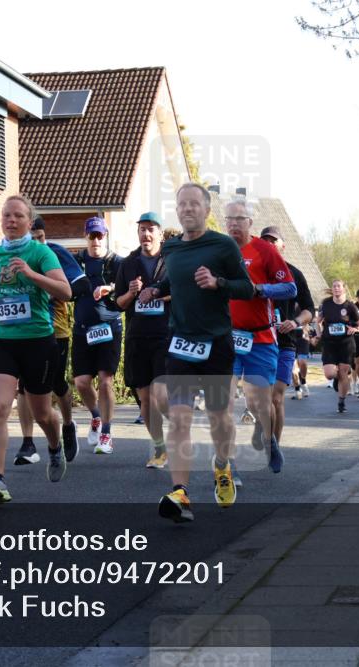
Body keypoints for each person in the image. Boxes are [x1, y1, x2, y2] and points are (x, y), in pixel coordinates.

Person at [139, 183, 254, 523]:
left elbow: (246, 288)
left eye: (194, 204)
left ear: (206, 210)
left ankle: (221, 465)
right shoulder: (171, 249)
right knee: (180, 417)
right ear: (177, 210)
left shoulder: (223, 245)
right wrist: (154, 291)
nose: (188, 209)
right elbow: (172, 284)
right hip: (181, 343)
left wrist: (218, 283)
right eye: (182, 204)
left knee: (220, 418)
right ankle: (180, 492)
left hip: (217, 342)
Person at [0, 195, 71, 499]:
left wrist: (30, 273)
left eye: (17, 216)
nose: (11, 220)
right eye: (6, 216)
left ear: (29, 221)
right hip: (2, 340)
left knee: (42, 414)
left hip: (38, 341)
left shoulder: (41, 253)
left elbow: (65, 291)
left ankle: (54, 446)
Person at [224, 201, 295, 476]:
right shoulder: (219, 250)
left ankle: (269, 439)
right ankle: (228, 464)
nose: (233, 224)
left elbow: (289, 287)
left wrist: (260, 289)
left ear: (249, 222)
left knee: (260, 403)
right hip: (228, 339)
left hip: (261, 338)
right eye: (229, 219)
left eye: (239, 219)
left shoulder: (264, 250)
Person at [14, 217, 87, 465]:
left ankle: (67, 424)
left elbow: (81, 285)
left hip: (55, 330)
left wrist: (53, 289)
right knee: (23, 386)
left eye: (40, 237)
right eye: (32, 238)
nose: (37, 242)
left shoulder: (55, 252)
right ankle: (27, 443)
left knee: (56, 384)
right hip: (25, 331)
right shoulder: (15, 255)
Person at [112, 211, 171, 469]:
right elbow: (119, 304)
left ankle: (181, 430)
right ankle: (159, 448)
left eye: (150, 229)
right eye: (142, 229)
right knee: (145, 399)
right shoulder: (128, 264)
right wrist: (131, 293)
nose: (145, 234)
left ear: (160, 233)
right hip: (137, 338)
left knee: (161, 394)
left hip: (166, 336)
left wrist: (157, 295)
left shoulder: (172, 259)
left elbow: (183, 292)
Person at [259, 226, 313, 453]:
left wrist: (296, 322)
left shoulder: (294, 273)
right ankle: (266, 435)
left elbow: (309, 309)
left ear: (283, 245)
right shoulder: (252, 272)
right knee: (262, 400)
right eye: (265, 241)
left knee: (276, 398)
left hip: (285, 342)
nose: (269, 245)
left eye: (274, 241)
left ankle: (274, 447)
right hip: (259, 342)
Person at [71, 217, 122, 454]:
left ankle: (106, 434)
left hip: (109, 328)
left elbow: (129, 288)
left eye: (100, 235)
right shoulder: (76, 261)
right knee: (81, 382)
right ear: (86, 236)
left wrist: (110, 288)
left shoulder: (117, 263)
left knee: (105, 381)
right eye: (92, 236)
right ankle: (96, 417)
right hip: (82, 330)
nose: (96, 240)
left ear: (106, 236)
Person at [312, 280, 359, 413]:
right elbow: (317, 322)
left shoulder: (350, 306)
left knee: (343, 373)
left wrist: (355, 329)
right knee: (329, 374)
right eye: (334, 286)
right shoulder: (326, 304)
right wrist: (319, 335)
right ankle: (336, 379)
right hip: (329, 343)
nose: (336, 288)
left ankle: (341, 402)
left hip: (346, 344)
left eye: (338, 286)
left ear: (343, 289)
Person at [291, 323, 315, 399]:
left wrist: (311, 338)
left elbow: (314, 337)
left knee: (302, 363)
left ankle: (303, 382)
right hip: (291, 340)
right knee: (293, 369)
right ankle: (297, 389)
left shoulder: (305, 312)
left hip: (303, 341)